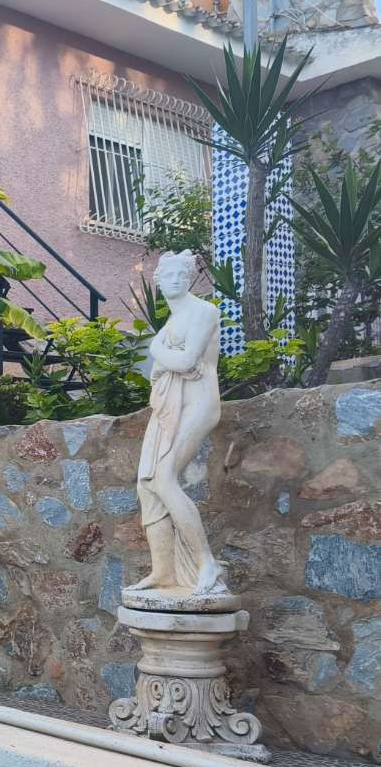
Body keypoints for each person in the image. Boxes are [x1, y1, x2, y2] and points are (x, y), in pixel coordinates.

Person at [125, 250, 228, 598]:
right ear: (158, 281)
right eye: (168, 275)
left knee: (165, 478)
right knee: (147, 484)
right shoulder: (171, 322)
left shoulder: (203, 311)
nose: (175, 280)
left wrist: (157, 348)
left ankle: (206, 563)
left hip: (198, 404)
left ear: (190, 279)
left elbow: (185, 361)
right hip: (170, 406)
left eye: (181, 275)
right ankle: (164, 571)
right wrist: (166, 357)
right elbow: (165, 369)